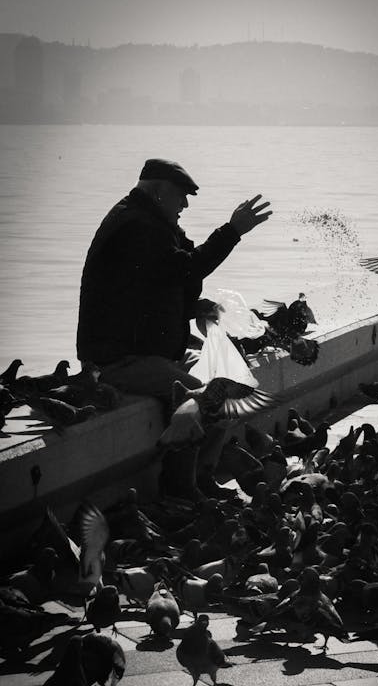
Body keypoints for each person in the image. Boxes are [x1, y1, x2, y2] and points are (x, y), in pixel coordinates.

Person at [76, 158, 272, 500]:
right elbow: (185, 270)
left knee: (224, 383)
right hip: (117, 360)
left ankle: (201, 476)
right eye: (181, 196)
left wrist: (193, 307)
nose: (184, 204)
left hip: (148, 351)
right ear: (157, 191)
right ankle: (180, 487)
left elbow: (160, 280)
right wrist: (232, 231)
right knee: (203, 398)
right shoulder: (136, 226)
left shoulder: (151, 221)